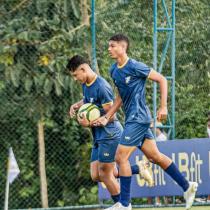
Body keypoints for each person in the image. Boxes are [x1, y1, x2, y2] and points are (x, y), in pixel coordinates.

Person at [93, 34, 198, 210]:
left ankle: (125, 204)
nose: (109, 49)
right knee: (154, 156)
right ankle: (187, 186)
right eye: (109, 46)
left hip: (139, 118)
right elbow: (120, 96)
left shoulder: (135, 66)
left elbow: (162, 79)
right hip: (133, 120)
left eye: (112, 46)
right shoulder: (114, 70)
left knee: (120, 157)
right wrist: (108, 115)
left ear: (122, 47)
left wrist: (163, 107)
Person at [67, 55, 153, 204]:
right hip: (98, 134)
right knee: (96, 175)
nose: (75, 79)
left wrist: (89, 121)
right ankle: (138, 169)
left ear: (83, 68)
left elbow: (110, 116)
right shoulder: (86, 84)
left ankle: (123, 205)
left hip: (110, 134)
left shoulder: (102, 86)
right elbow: (90, 101)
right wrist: (78, 105)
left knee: (105, 175)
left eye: (75, 75)